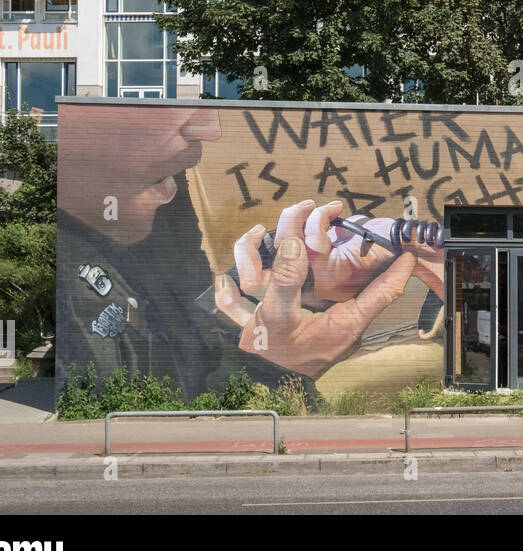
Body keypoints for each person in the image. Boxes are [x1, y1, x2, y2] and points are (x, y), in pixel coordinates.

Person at [58, 105, 428, 399]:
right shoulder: (81, 288)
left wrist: (255, 318)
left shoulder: (159, 221)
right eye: (160, 104)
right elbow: (172, 402)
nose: (211, 128)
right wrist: (280, 358)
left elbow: (191, 340)